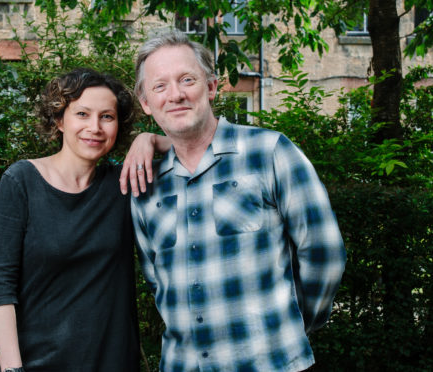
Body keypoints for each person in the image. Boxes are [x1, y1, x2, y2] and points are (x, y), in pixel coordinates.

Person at [125, 31, 347, 372]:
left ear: (212, 87)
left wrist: (289, 327)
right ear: (145, 103)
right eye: (160, 86)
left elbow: (323, 252)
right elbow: (156, 280)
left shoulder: (270, 151)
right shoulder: (147, 184)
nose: (176, 94)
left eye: (187, 80)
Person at [0, 68, 166, 372]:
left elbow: (196, 151)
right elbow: (0, 288)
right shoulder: (21, 182)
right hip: (39, 365)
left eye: (107, 117)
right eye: (82, 114)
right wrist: (12, 369)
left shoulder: (124, 183)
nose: (94, 127)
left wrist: (151, 141)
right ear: (59, 120)